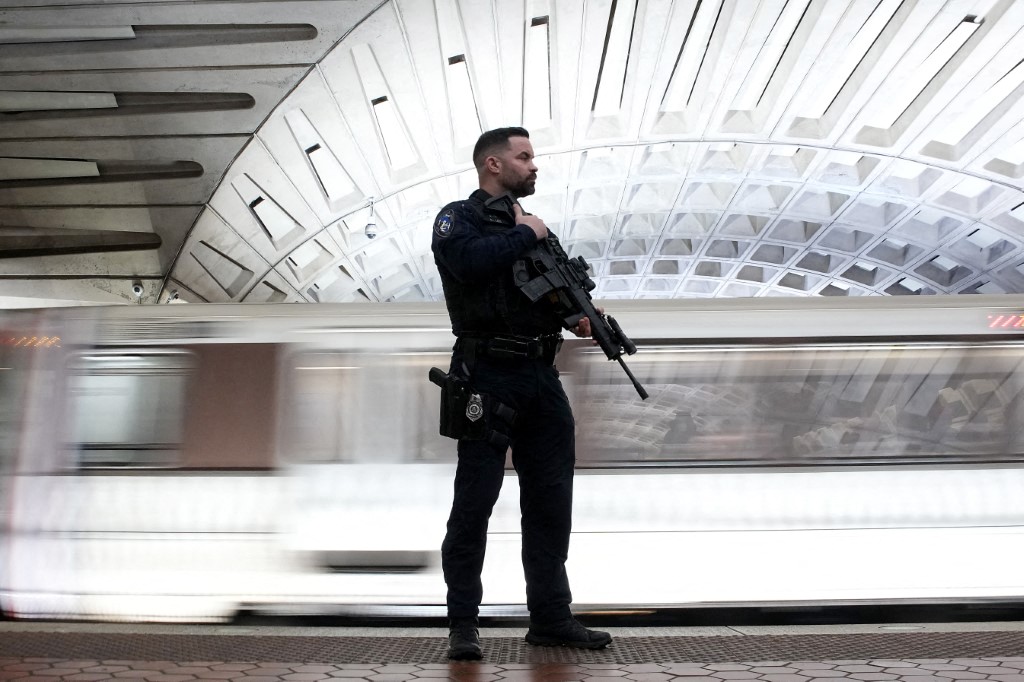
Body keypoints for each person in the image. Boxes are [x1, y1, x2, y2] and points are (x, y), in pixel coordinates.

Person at [431, 127, 612, 660]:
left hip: (540, 375)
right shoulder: (457, 218)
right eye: (524, 156)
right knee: (475, 504)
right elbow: (467, 263)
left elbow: (547, 290)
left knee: (551, 502)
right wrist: (527, 233)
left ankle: (551, 619)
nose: (535, 166)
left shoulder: (531, 228)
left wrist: (579, 317)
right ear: (492, 164)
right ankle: (463, 626)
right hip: (486, 373)